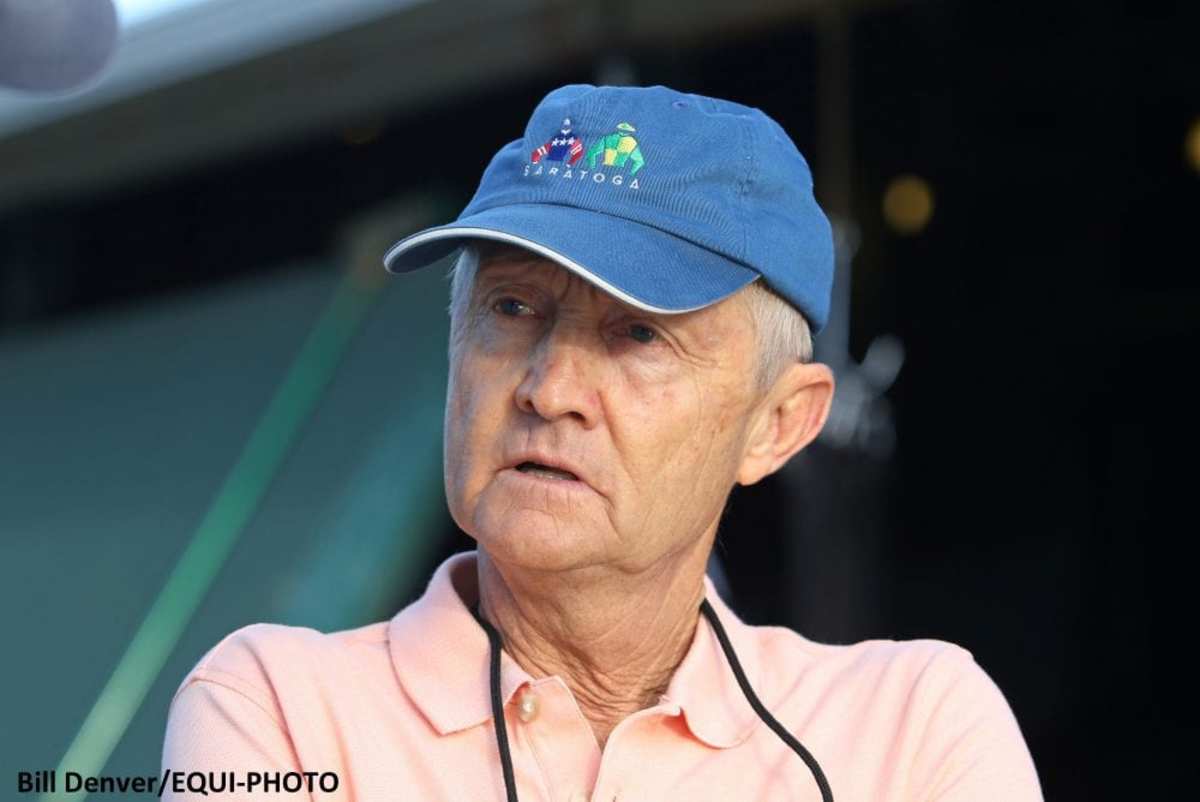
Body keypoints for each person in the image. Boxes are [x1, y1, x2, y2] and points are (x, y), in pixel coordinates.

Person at [161, 84, 1044, 801]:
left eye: (639, 335)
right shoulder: (277, 706)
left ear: (777, 425)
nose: (548, 389)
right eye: (511, 309)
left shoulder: (913, 726)